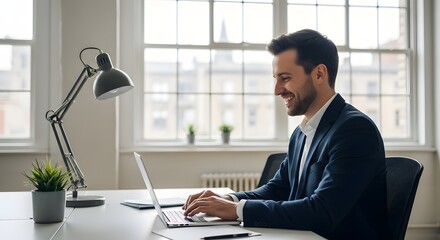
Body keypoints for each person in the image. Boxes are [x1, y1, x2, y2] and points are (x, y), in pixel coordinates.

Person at [183, 29, 389, 240]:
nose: (277, 90)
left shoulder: (354, 130)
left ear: (319, 74)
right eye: (276, 79)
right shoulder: (302, 132)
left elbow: (322, 211)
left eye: (285, 78)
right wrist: (228, 200)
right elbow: (277, 189)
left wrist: (237, 211)